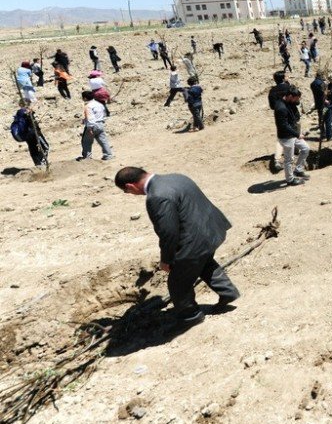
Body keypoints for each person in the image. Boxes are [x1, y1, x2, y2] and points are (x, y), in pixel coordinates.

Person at [114, 167, 239, 328]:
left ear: (130, 186)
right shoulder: (176, 177)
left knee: (178, 283)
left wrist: (166, 259)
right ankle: (228, 292)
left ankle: (191, 316)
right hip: (212, 229)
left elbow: (168, 233)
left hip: (195, 241)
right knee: (203, 263)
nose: (130, 194)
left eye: (127, 192)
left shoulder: (157, 196)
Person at [274, 87, 310, 186]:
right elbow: (284, 126)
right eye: (296, 98)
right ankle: (290, 180)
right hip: (286, 137)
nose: (298, 101)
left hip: (292, 134)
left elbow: (295, 110)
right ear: (290, 96)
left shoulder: (289, 102)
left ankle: (298, 170)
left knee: (305, 148)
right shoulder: (281, 107)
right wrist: (298, 134)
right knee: (289, 159)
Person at [78, 90, 114, 161]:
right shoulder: (99, 104)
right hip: (100, 124)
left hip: (92, 125)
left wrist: (90, 128)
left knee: (86, 142)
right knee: (103, 140)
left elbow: (90, 117)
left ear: (85, 98)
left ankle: (87, 157)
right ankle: (108, 155)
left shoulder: (88, 106)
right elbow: (102, 114)